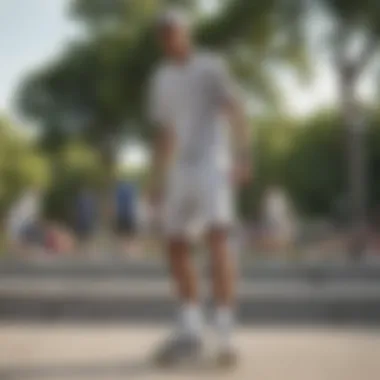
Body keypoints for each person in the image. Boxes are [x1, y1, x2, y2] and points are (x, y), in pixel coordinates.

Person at [147, 9, 252, 366]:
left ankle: (225, 335)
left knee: (217, 238)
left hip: (212, 163)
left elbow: (235, 108)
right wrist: (157, 178)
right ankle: (191, 328)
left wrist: (243, 156)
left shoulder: (210, 66)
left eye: (173, 31)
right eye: (163, 34)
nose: (168, 38)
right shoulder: (161, 77)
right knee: (175, 244)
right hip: (180, 169)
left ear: (186, 33)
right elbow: (164, 132)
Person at [114, 180, 138, 255]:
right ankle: (127, 248)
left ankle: (123, 248)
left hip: (122, 213)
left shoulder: (120, 190)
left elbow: (116, 202)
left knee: (123, 232)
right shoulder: (131, 189)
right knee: (128, 232)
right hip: (128, 213)